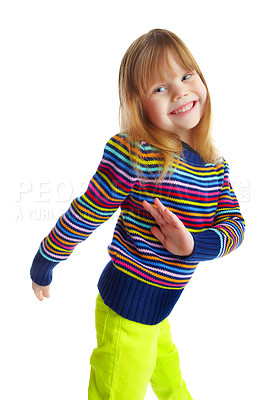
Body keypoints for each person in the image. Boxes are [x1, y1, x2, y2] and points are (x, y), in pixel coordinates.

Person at [30, 28, 245, 400]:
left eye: (185, 75)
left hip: (161, 307)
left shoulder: (215, 164)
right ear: (138, 105)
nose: (179, 91)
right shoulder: (137, 154)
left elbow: (236, 226)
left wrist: (192, 245)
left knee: (171, 384)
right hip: (128, 307)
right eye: (159, 88)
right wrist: (45, 261)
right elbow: (86, 212)